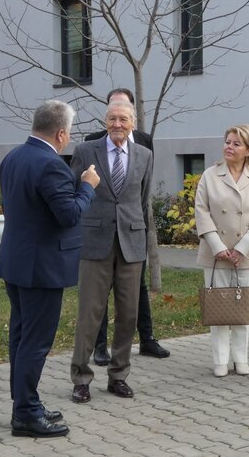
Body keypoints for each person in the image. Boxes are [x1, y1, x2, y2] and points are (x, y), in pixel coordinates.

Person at [0, 100, 99, 438]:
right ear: (61, 133)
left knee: (21, 337)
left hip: (17, 262)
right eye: (69, 132)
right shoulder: (51, 165)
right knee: (35, 342)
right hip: (41, 268)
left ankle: (25, 403)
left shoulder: (13, 157)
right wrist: (87, 185)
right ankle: (26, 414)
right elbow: (69, 214)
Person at [70, 97, 153, 404]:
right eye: (112, 119)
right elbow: (75, 190)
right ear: (105, 122)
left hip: (131, 242)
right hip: (95, 241)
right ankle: (81, 378)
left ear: (133, 123)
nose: (117, 124)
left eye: (123, 119)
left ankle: (119, 375)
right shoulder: (85, 151)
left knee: (128, 314)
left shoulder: (144, 154)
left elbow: (142, 199)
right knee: (89, 313)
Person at [84, 88, 170, 365]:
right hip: (101, 232)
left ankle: (147, 338)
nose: (118, 120)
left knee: (137, 288)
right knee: (100, 292)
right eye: (113, 111)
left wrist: (139, 227)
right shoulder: (92, 143)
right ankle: (99, 346)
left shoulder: (144, 143)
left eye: (123, 112)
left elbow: (143, 192)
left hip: (132, 230)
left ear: (132, 115)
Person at [194, 124, 249, 377]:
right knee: (219, 308)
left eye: (236, 143)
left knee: (241, 309)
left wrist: (242, 247)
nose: (229, 147)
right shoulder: (210, 175)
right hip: (215, 253)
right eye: (227, 142)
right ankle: (220, 360)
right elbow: (201, 211)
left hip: (246, 253)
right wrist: (218, 247)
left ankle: (241, 358)